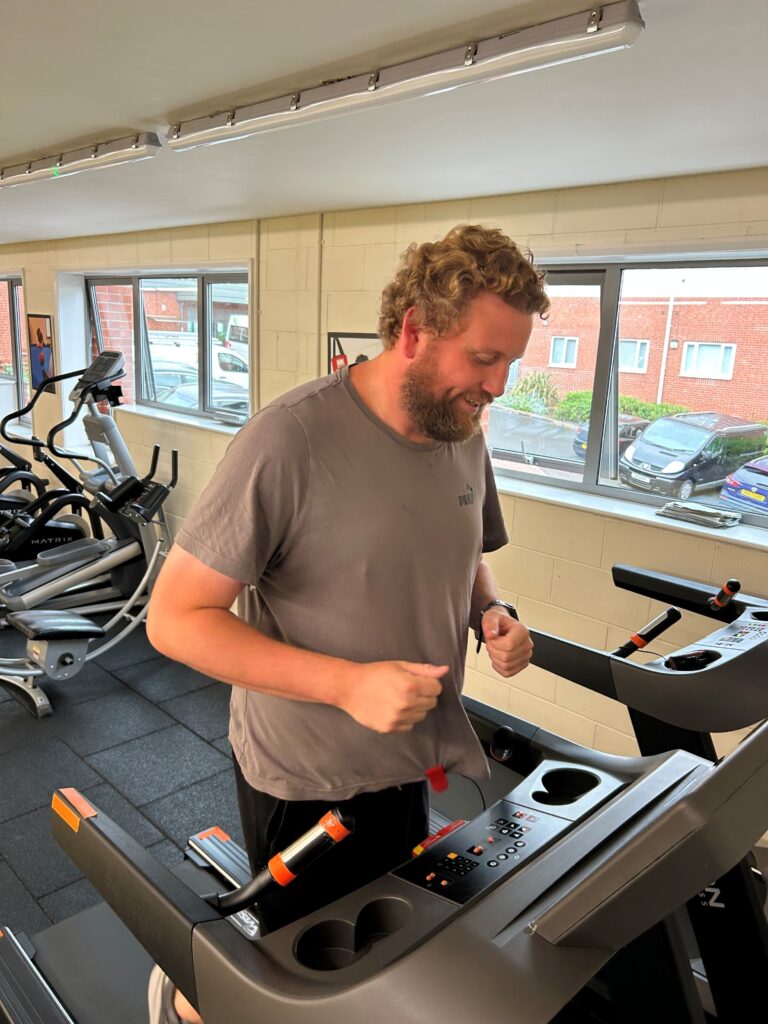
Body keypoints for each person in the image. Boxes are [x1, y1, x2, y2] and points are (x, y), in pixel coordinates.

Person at [145, 223, 550, 1024]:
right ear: (414, 332)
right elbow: (175, 618)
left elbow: (463, 550)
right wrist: (346, 684)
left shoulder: (462, 431)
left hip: (408, 757)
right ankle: (189, 996)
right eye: (484, 357)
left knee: (385, 957)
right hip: (308, 776)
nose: (499, 385)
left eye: (512, 361)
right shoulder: (289, 438)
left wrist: (493, 612)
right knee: (302, 979)